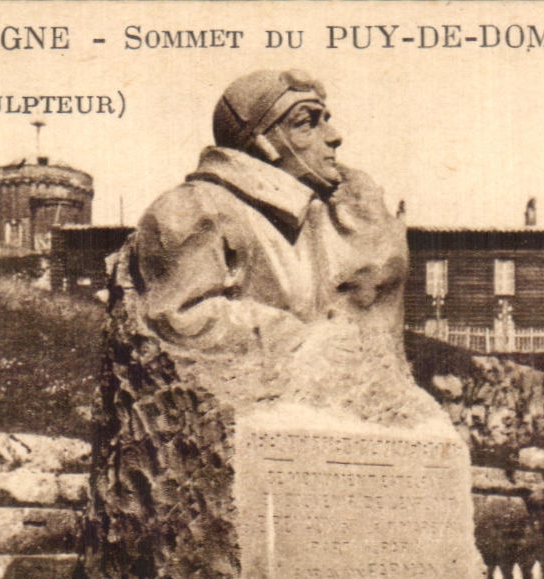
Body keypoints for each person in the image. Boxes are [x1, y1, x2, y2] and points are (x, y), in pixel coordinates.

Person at [118, 69, 423, 421]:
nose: (334, 137)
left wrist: (374, 238)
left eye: (325, 120)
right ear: (264, 142)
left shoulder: (320, 216)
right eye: (306, 123)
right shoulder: (193, 206)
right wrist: (297, 340)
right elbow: (178, 316)